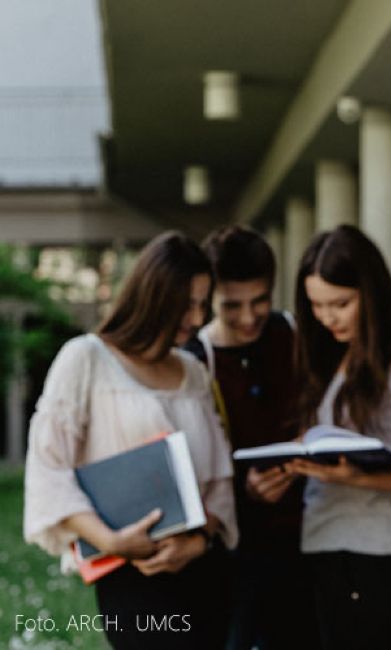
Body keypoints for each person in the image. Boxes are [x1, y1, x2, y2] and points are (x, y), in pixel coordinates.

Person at [23, 231, 237, 649]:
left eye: (201, 304)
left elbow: (220, 480)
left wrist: (198, 541)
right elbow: (48, 469)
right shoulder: (86, 359)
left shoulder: (194, 372)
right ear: (154, 295)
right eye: (186, 304)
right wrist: (111, 541)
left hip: (203, 571)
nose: (196, 319)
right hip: (131, 575)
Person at [282, 224, 391, 649]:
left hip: (383, 554)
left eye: (341, 303)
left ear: (371, 291)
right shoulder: (332, 354)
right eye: (317, 306)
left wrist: (357, 478)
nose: (327, 317)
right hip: (321, 545)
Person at [182, 225, 319, 650]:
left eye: (260, 301)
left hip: (308, 539)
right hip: (232, 551)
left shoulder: (295, 334)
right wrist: (245, 489)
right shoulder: (194, 359)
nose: (248, 317)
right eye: (232, 306)